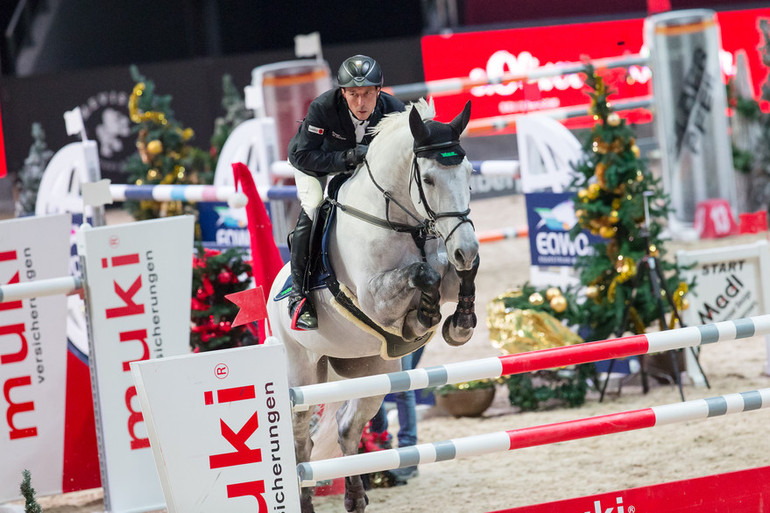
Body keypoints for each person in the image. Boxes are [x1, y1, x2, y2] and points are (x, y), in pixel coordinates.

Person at [286, 55, 405, 330]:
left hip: (359, 166)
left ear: (379, 90)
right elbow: (303, 155)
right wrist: (346, 158)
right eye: (353, 94)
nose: (361, 103)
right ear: (343, 92)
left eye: (366, 94)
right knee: (315, 205)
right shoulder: (323, 108)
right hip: (314, 163)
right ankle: (299, 296)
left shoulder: (394, 110)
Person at [369, 345, 425, 484]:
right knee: (373, 385)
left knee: (404, 386)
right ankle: (381, 441)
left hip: (405, 333)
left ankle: (408, 454)